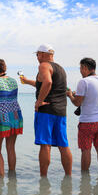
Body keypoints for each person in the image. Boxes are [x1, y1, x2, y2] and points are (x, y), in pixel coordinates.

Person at [21, 44, 72, 177]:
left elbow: (48, 83)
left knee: (45, 145)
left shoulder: (43, 65)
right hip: (61, 111)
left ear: (42, 54)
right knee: (63, 145)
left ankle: (43, 179)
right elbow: (45, 83)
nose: (37, 57)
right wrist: (27, 81)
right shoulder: (60, 69)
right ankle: (69, 176)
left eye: (37, 54)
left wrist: (39, 102)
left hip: (46, 110)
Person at [67, 58, 98, 171]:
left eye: (80, 68)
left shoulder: (83, 82)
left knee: (86, 150)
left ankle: (84, 179)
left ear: (85, 68)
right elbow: (92, 96)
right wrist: (76, 94)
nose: (80, 71)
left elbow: (77, 103)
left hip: (88, 123)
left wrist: (70, 95)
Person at [0, 59, 23, 176]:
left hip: (0, 116)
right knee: (11, 147)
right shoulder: (14, 81)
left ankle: (1, 177)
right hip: (14, 115)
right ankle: (12, 176)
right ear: (5, 68)